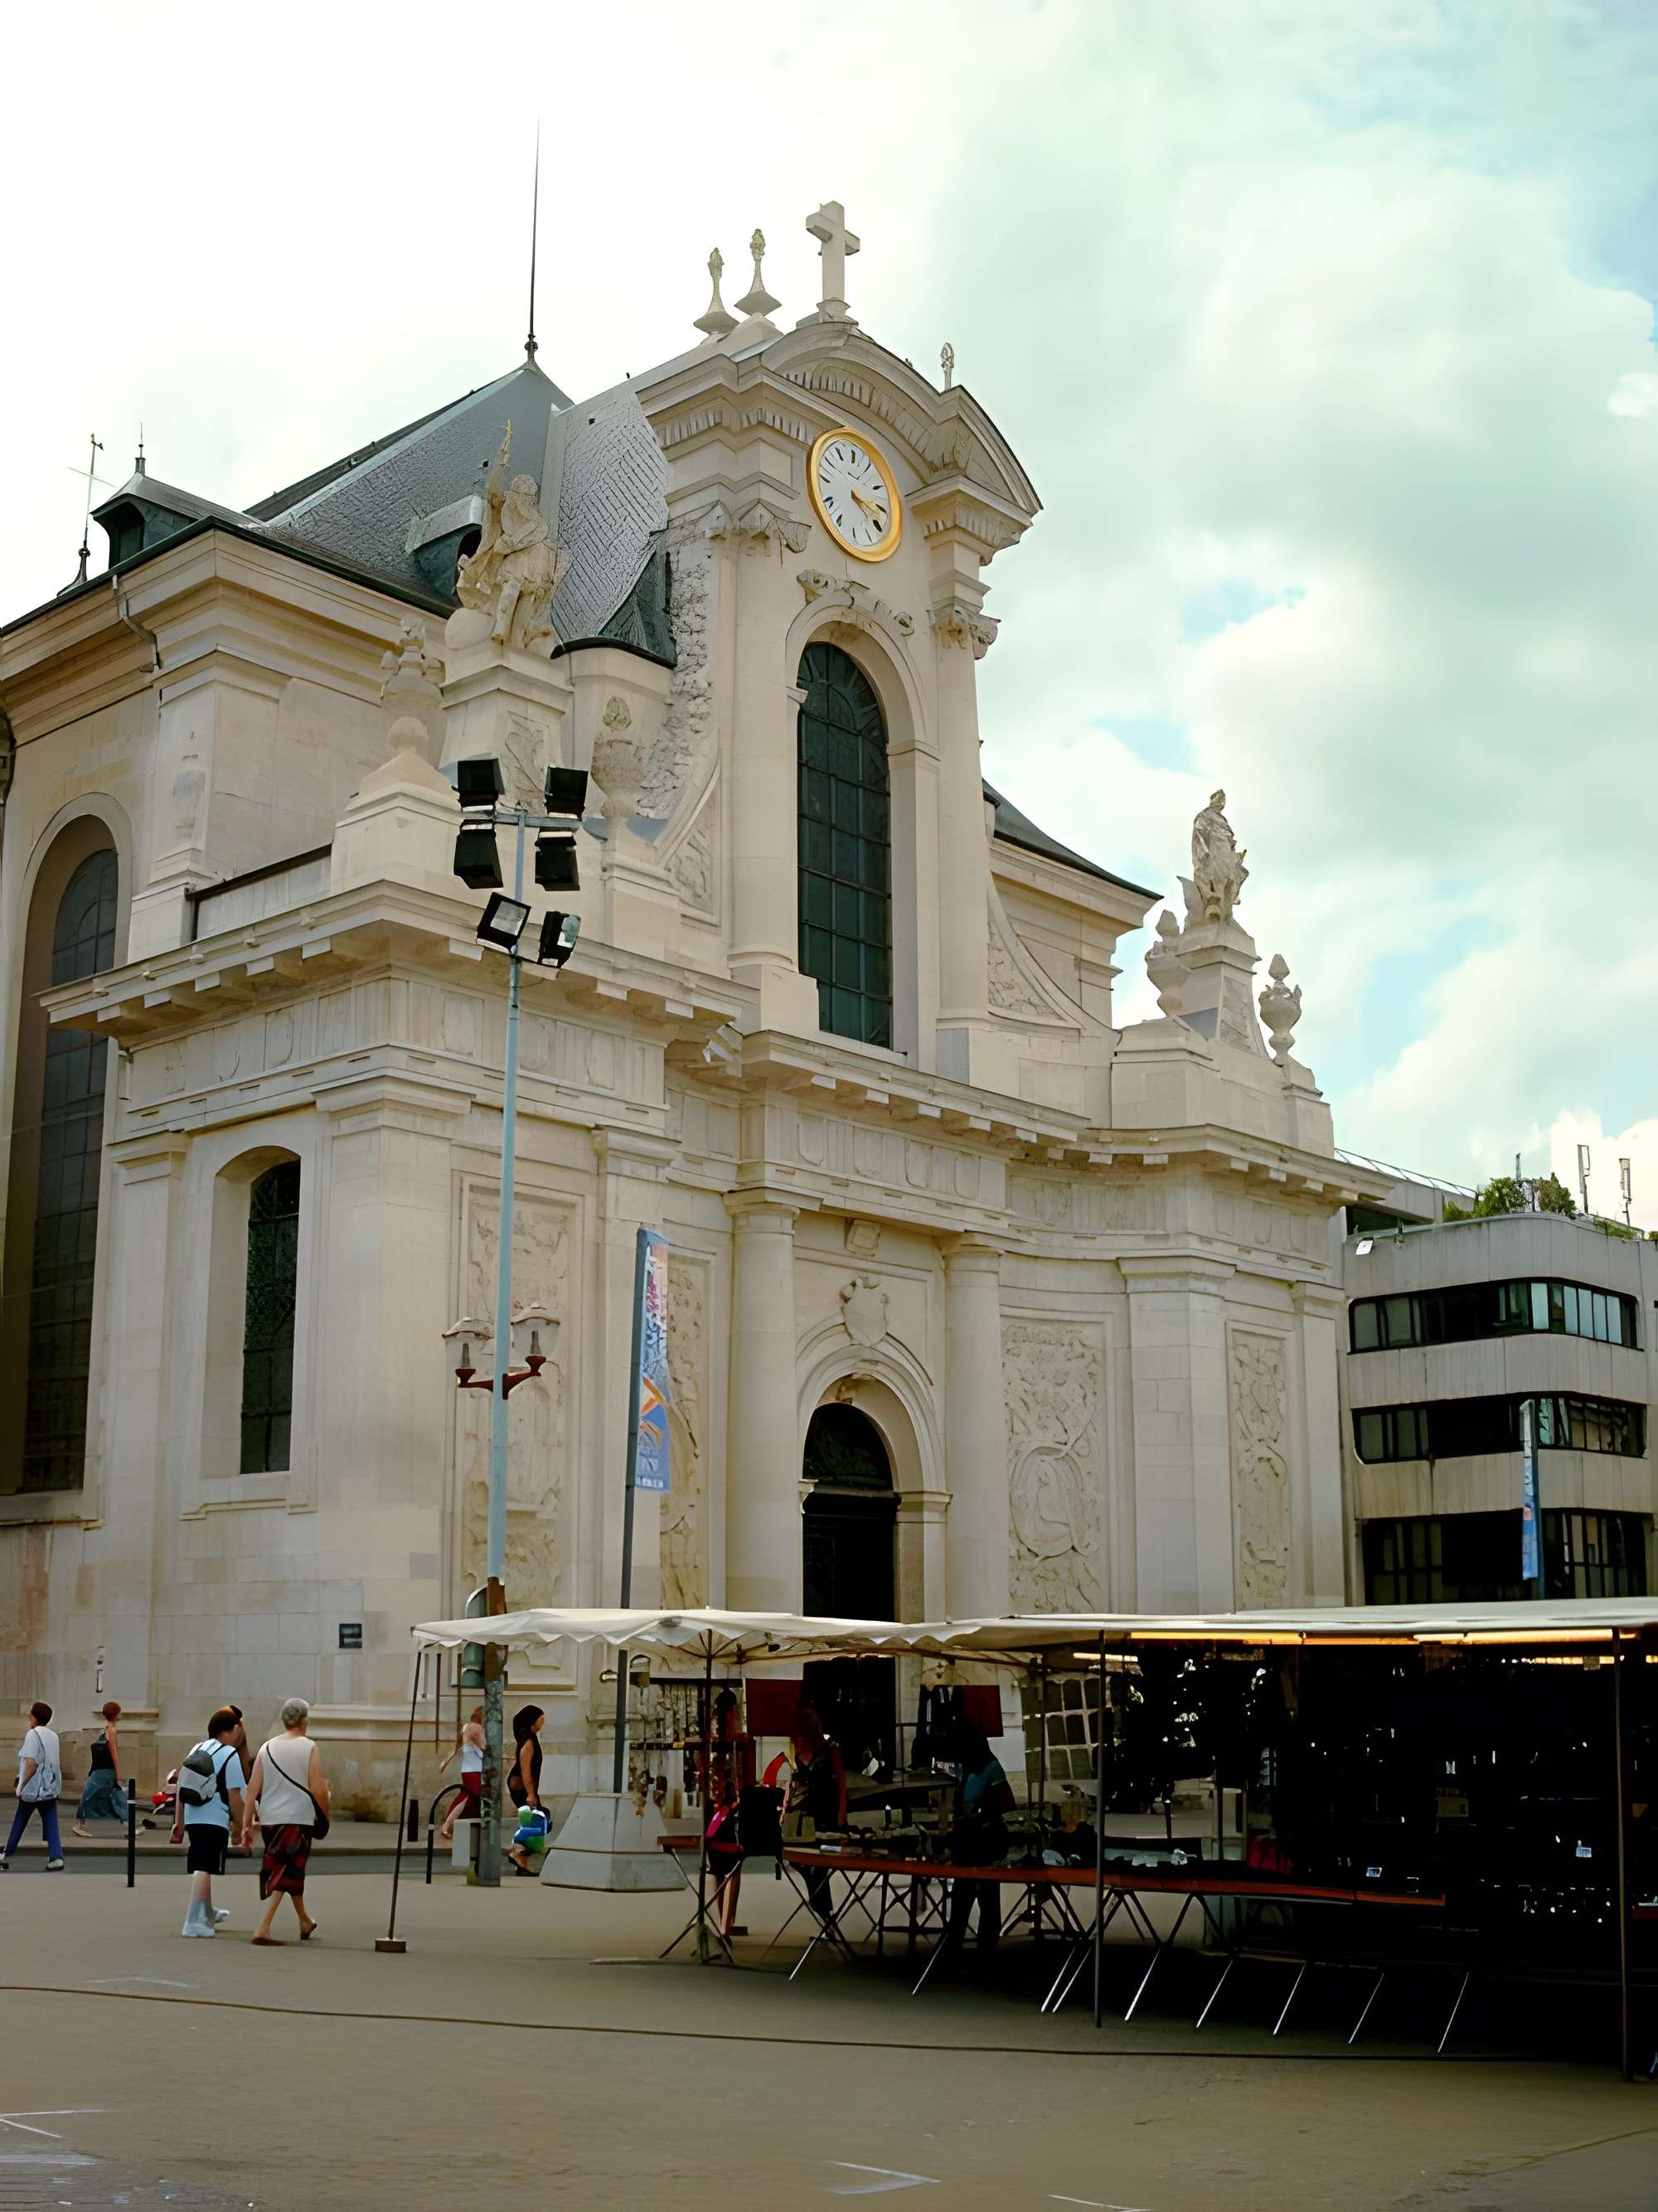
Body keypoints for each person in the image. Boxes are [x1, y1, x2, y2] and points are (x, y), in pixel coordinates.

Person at [242, 1696, 329, 1944]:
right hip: (297, 1819)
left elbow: (252, 1789)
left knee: (292, 1869)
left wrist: (246, 1825)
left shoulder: (267, 1747)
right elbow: (318, 1788)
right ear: (304, 1720)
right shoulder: (309, 1747)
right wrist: (325, 1814)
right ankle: (263, 1928)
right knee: (286, 1869)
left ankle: (305, 1920)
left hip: (270, 1819)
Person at [170, 1707, 245, 1937]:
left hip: (193, 1815)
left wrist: (179, 1823)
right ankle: (193, 1921)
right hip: (215, 1817)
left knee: (205, 1864)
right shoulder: (229, 1754)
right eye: (238, 1729)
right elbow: (234, 1795)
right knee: (204, 1867)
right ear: (231, 1730)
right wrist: (240, 1826)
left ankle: (207, 1912)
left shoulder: (197, 1748)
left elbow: (181, 1787)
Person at [946, 1723, 1016, 1954]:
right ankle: (955, 1940)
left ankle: (987, 1945)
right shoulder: (963, 1767)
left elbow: (1006, 1802)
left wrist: (980, 1813)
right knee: (962, 1895)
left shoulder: (991, 1767)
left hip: (986, 1840)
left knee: (987, 1895)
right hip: (965, 1841)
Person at [698, 1688, 755, 1939]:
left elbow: (701, 1768)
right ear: (733, 1711)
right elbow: (747, 1778)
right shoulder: (734, 1740)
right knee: (731, 1864)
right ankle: (726, 1922)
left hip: (716, 1806)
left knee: (721, 1865)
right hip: (729, 1808)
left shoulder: (710, 1739)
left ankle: (725, 1920)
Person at [783, 1705, 845, 1921]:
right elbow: (794, 1781)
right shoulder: (796, 1749)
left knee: (821, 1861)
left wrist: (842, 1813)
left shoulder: (829, 1749)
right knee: (798, 1858)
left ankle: (823, 1909)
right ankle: (822, 1907)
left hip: (826, 1809)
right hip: (804, 1810)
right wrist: (786, 1807)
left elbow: (841, 1783)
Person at [2, 1702, 64, 1870]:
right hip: (49, 1788)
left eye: (31, 1714)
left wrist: (21, 1785)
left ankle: (6, 1853)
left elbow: (31, 1762)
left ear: (35, 1717)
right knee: (51, 1821)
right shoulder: (53, 1736)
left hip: (34, 1788)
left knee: (20, 1819)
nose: (29, 1717)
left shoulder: (33, 1735)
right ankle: (56, 1857)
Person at [73, 1701, 126, 1836]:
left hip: (100, 1770)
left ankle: (127, 1824)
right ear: (116, 1714)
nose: (121, 1714)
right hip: (106, 1771)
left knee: (111, 1797)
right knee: (95, 1796)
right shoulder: (111, 1730)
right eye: (119, 1711)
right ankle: (80, 1824)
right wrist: (118, 1774)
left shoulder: (106, 1729)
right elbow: (114, 1754)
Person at [506, 1705, 545, 1874]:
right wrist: (530, 1794)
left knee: (536, 1821)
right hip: (521, 1786)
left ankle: (521, 1860)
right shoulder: (528, 1743)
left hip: (525, 1786)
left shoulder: (531, 1738)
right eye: (540, 1719)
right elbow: (525, 1771)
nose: (542, 1722)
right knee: (537, 1821)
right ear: (531, 1722)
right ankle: (516, 1853)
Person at [437, 1708, 484, 1843]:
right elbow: (484, 1747)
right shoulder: (475, 1728)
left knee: (468, 1796)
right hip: (473, 1770)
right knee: (469, 1796)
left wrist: (446, 1761)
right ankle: (448, 1824)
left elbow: (457, 1747)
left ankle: (453, 1823)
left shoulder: (467, 1727)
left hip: (471, 1769)